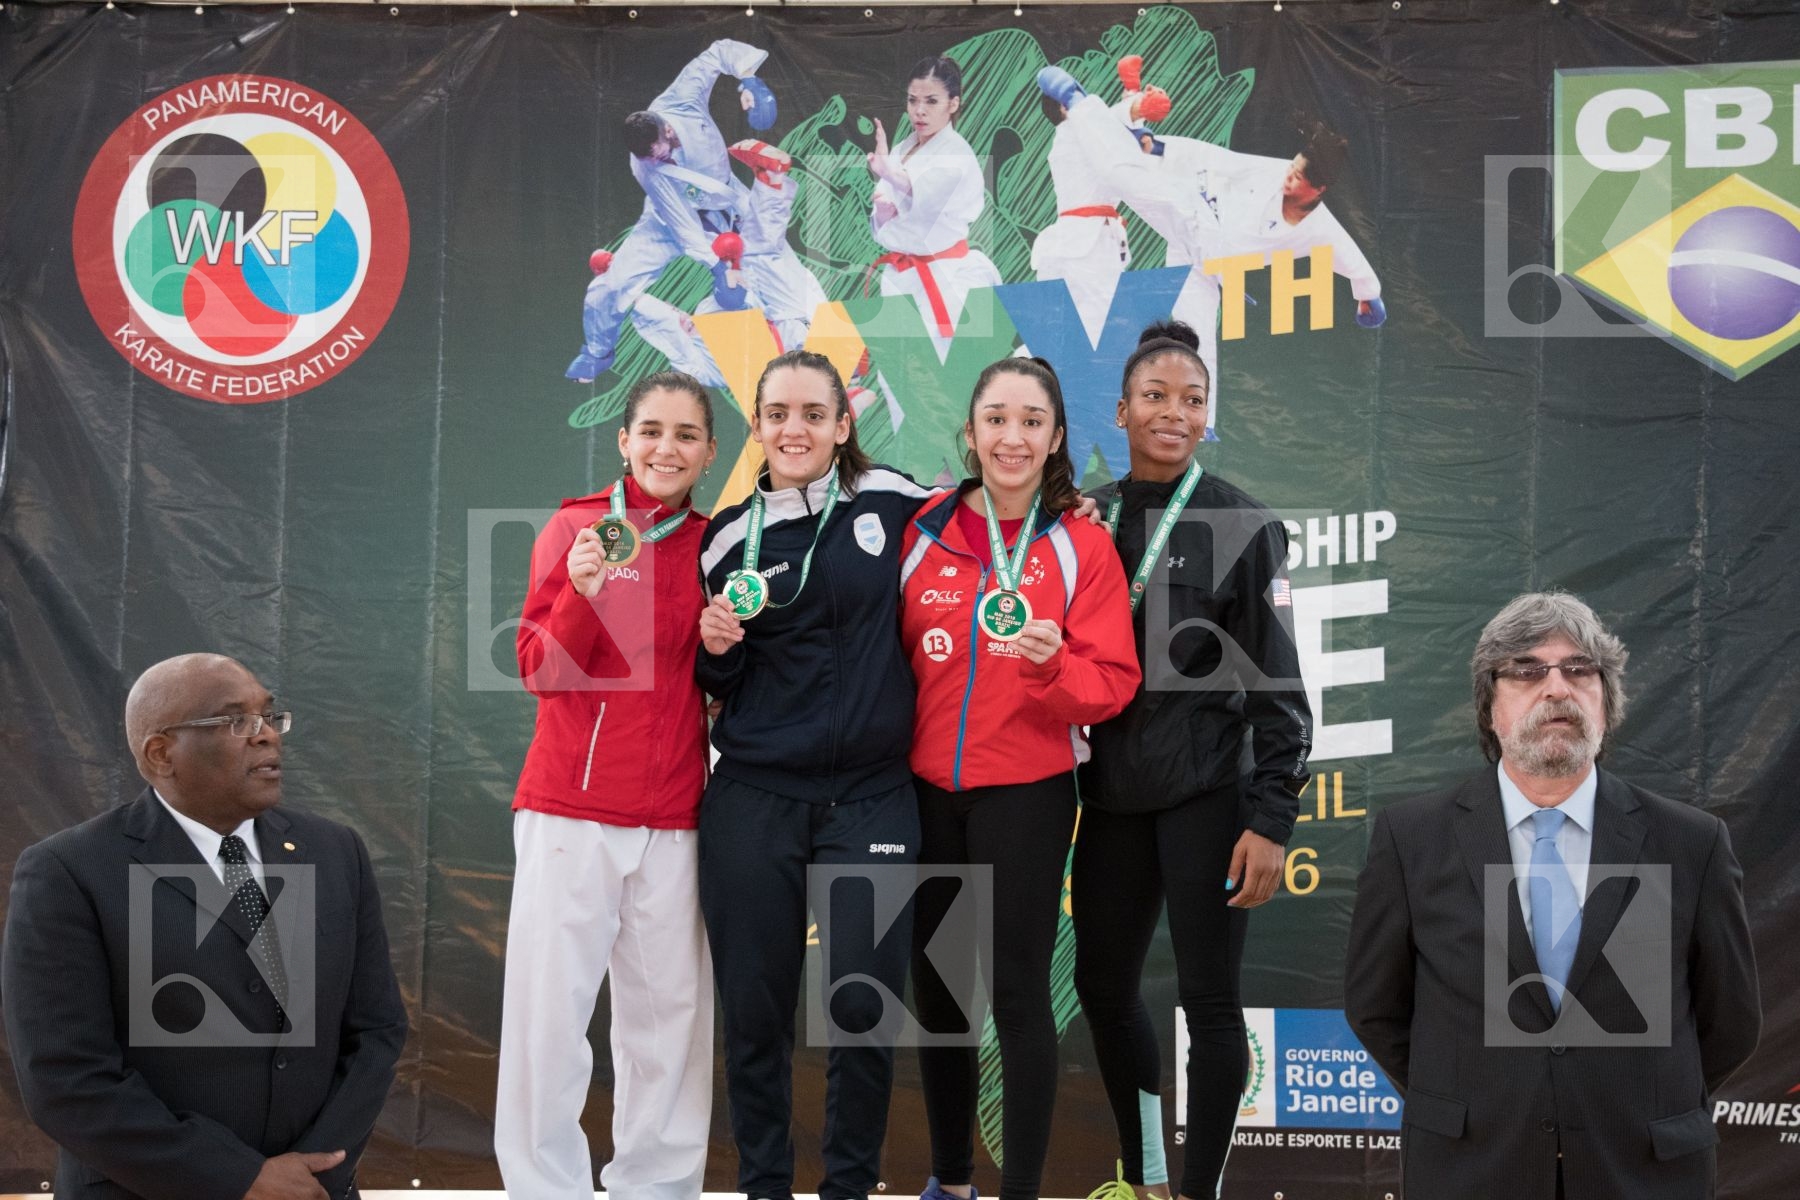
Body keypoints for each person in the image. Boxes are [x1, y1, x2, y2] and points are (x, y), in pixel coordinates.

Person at [1345, 592, 1761, 1200]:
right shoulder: (1412, 839)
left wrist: (1634, 1102)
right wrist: (1477, 1100)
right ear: (1490, 707)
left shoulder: (1690, 842)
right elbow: (1376, 1007)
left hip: (1643, 1172)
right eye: (1527, 671)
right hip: (1471, 1168)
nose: (1556, 688)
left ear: (1606, 701)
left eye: (1579, 669)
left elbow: (1731, 1021)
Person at [2, 653, 407, 1200]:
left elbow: (377, 1030)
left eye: (269, 716)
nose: (266, 737)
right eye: (235, 721)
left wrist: (318, 1171)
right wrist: (238, 1179)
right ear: (161, 752)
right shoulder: (70, 871)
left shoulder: (335, 851)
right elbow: (66, 1079)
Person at [1072, 321, 1312, 1200]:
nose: (1176, 413)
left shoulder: (1242, 523)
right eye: (1158, 397)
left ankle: (1199, 1191)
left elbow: (1279, 687)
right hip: (1110, 796)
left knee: (1211, 1004)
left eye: (1194, 400)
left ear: (1208, 417)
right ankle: (1145, 1179)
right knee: (1102, 987)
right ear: (1124, 408)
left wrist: (1271, 816)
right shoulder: (1085, 518)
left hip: (1210, 790)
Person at [695, 349, 936, 1200]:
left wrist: (1069, 505)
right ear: (757, 427)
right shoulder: (726, 536)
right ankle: (764, 1187)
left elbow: (994, 528)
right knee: (755, 1016)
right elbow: (718, 687)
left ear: (843, 425)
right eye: (776, 415)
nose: (793, 430)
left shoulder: (896, 502)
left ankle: (848, 1189)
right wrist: (716, 652)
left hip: (872, 793)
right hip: (755, 798)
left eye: (811, 414)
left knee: (864, 1014)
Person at [899, 356, 1140, 1200]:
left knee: (1015, 994)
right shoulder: (921, 528)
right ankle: (952, 1180)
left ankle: (1020, 1194)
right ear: (969, 434)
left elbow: (1112, 683)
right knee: (937, 992)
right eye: (996, 418)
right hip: (925, 791)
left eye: (1031, 421)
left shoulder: (1081, 543)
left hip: (1028, 793)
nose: (1012, 435)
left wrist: (1052, 670)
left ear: (1056, 438)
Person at [494, 372, 718, 1200]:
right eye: (651, 431)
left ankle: (656, 1189)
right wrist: (584, 594)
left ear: (709, 452)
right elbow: (540, 670)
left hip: (677, 818)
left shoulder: (722, 541)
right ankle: (543, 1188)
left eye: (686, 434)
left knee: (667, 1028)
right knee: (550, 1022)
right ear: (623, 440)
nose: (667, 448)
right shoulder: (577, 527)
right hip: (569, 812)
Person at [567, 40, 824, 382]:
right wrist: (719, 265)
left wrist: (747, 80)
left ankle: (826, 348)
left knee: (782, 267)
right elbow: (683, 227)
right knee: (611, 286)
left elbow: (716, 53)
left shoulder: (680, 100)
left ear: (667, 130)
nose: (656, 160)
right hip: (669, 221)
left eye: (658, 151)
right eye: (648, 158)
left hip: (727, 202)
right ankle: (597, 352)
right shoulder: (645, 168)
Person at [867, 56, 1003, 354]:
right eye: (912, 100)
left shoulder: (957, 153)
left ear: (953, 104)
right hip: (902, 276)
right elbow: (887, 207)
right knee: (901, 379)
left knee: (945, 372)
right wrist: (883, 211)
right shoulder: (905, 147)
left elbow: (926, 198)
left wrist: (889, 172)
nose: (919, 110)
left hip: (945, 278)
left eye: (931, 101)